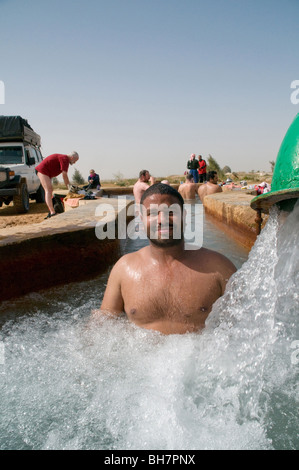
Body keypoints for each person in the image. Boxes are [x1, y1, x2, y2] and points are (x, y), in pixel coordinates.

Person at [99, 183, 236, 335]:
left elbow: (244, 324)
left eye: (171, 211)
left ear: (184, 215)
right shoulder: (124, 269)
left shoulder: (218, 267)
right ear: (141, 218)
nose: (162, 219)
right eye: (152, 213)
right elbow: (102, 327)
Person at [35, 151, 79, 218]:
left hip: (47, 172)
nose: (74, 162)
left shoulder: (64, 158)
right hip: (42, 170)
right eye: (75, 161)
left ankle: (51, 211)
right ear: (72, 157)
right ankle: (52, 212)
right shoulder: (65, 159)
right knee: (48, 190)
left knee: (50, 190)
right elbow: (64, 175)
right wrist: (69, 187)